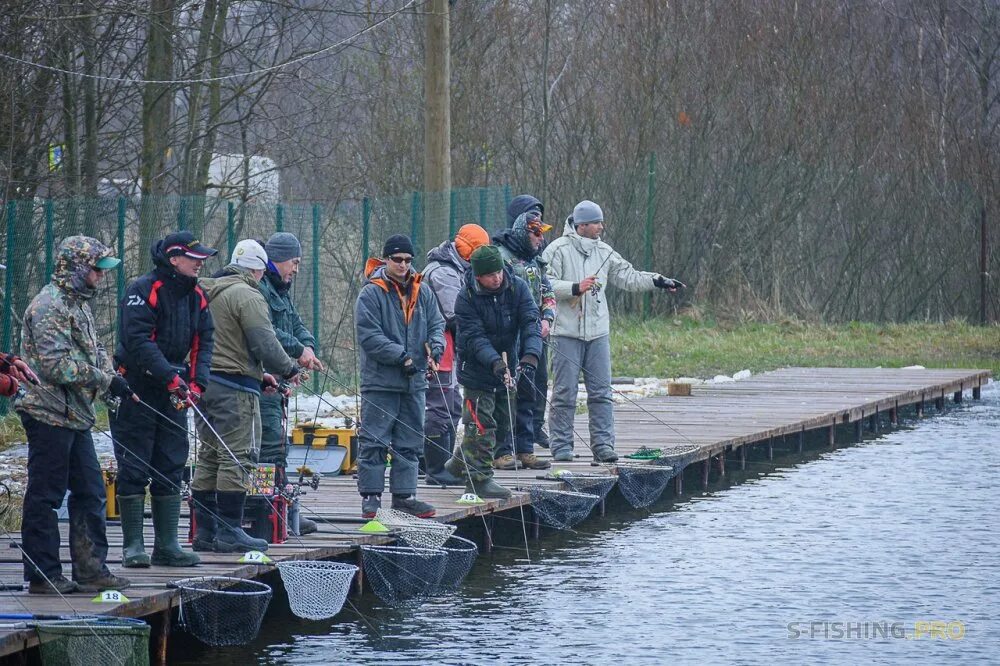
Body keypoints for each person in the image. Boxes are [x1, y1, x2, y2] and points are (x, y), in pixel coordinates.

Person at [16, 236, 134, 594]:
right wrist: (103, 379)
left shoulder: (79, 304)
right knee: (46, 495)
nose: (101, 275)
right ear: (77, 268)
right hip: (47, 411)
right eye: (97, 269)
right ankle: (43, 575)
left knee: (91, 491)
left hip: (76, 415)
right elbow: (56, 366)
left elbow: (94, 354)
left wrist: (113, 380)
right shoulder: (49, 305)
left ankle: (91, 570)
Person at [542, 200, 684, 462]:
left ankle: (603, 446)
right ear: (582, 225)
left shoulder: (605, 252)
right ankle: (561, 446)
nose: (601, 227)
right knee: (564, 393)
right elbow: (545, 283)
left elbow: (629, 276)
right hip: (565, 333)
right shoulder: (557, 250)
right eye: (596, 223)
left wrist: (657, 281)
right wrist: (575, 288)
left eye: (601, 222)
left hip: (597, 334)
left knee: (601, 393)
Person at [110, 231, 216, 568]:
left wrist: (197, 384)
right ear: (174, 259)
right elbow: (138, 341)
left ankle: (167, 545)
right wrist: (170, 378)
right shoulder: (143, 289)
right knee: (134, 463)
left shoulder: (197, 295)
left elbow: (204, 341)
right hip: (136, 387)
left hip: (175, 391)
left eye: (202, 259)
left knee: (171, 462)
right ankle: (133, 546)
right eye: (194, 259)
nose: (200, 264)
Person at [191, 239, 301, 553]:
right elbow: (264, 342)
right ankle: (230, 530)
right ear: (258, 269)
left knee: (210, 454)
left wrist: (259, 375)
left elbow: (227, 343)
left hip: (205, 383)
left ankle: (205, 532)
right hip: (235, 389)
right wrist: (288, 368)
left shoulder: (210, 291)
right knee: (237, 456)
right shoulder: (248, 295)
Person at [355, 234, 445, 518]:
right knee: (374, 440)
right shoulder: (371, 294)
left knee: (411, 440)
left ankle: (405, 497)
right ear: (386, 260)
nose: (403, 264)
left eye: (407, 259)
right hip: (380, 382)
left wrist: (436, 349)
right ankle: (371, 498)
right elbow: (369, 336)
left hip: (414, 382)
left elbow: (437, 324)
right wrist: (400, 356)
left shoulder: (423, 291)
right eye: (397, 259)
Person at [444, 245, 542, 499]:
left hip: (509, 365)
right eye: (490, 275)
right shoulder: (466, 297)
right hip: (477, 369)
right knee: (481, 425)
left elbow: (530, 321)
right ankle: (479, 480)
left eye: (498, 272)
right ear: (478, 276)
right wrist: (495, 362)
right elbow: (474, 338)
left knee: (503, 422)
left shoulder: (518, 288)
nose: (496, 278)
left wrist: (531, 356)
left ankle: (459, 463)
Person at [258, 232, 325, 535]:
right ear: (277, 259)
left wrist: (307, 346)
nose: (296, 269)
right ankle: (265, 512)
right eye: (293, 262)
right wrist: (298, 352)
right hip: (262, 383)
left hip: (280, 381)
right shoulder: (260, 288)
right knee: (268, 446)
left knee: (278, 446)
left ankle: (280, 511)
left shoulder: (280, 290)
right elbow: (267, 331)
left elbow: (296, 324)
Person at [421, 223, 490, 486]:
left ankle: (442, 464)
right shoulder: (442, 273)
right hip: (437, 348)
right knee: (439, 407)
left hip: (449, 348)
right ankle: (436, 468)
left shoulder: (459, 269)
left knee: (451, 406)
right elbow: (454, 315)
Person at [492, 201, 556, 471]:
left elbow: (548, 291)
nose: (540, 238)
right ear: (522, 231)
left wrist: (547, 318)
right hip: (509, 335)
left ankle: (525, 448)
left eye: (542, 233)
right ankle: (502, 450)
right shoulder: (501, 257)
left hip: (534, 334)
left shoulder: (537, 261)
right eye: (536, 233)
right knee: (507, 392)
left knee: (531, 388)